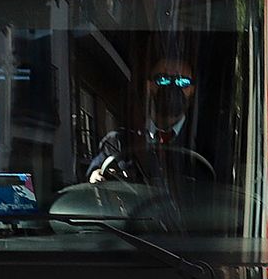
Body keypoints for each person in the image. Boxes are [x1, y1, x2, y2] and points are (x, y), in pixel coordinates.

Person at [87, 54, 215, 186]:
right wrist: (96, 175)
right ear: (149, 86)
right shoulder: (117, 142)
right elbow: (93, 178)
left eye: (182, 82)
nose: (172, 86)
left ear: (192, 90)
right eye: (162, 79)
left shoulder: (208, 147)